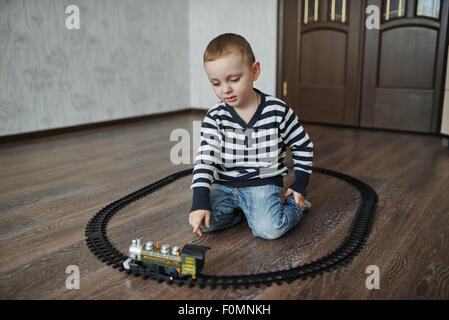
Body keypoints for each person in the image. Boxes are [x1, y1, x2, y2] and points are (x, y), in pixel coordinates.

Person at [189, 33, 313, 240]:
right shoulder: (215, 116)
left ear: (254, 71)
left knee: (269, 230)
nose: (225, 89)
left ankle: (294, 206)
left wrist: (299, 183)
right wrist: (199, 201)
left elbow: (303, 146)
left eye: (234, 79)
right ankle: (245, 212)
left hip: (262, 183)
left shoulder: (277, 110)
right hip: (223, 185)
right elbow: (205, 159)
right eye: (216, 83)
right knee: (204, 223)